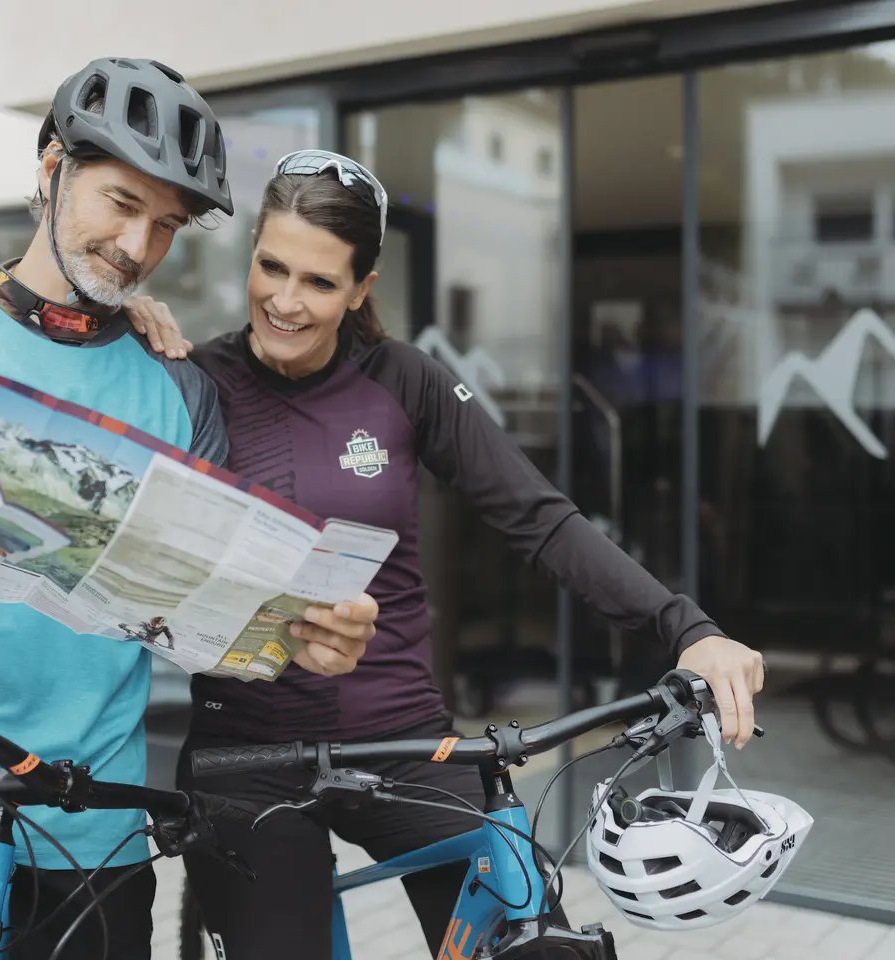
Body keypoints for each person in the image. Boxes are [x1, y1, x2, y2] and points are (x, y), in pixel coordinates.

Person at [125, 148, 766, 959]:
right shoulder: (191, 380)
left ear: (362, 288)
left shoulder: (404, 381)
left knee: (530, 934)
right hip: (243, 758)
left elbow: (541, 520)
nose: (284, 301)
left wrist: (688, 630)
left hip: (404, 743)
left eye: (320, 282)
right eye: (271, 267)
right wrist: (122, 318)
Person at [0, 68, 378, 959]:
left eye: (167, 225)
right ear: (53, 167)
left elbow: (205, 607)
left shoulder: (178, 387)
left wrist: (303, 631)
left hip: (90, 830)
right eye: (121, 202)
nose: (138, 245)